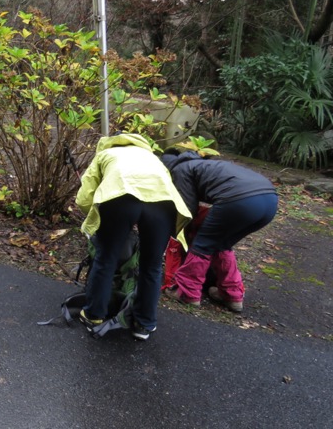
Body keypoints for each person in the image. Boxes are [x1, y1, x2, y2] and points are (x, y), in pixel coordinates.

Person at [75, 133, 192, 341]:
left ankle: (94, 315)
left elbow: (84, 198)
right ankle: (144, 324)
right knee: (152, 265)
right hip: (163, 203)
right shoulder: (153, 159)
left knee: (106, 257)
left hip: (120, 198)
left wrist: (99, 219)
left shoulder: (107, 154)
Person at [161, 150, 279, 312]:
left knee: (203, 243)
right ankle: (232, 295)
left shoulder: (180, 170)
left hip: (240, 200)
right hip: (270, 202)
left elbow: (187, 210)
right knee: (222, 244)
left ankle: (187, 292)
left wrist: (179, 233)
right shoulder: (204, 164)